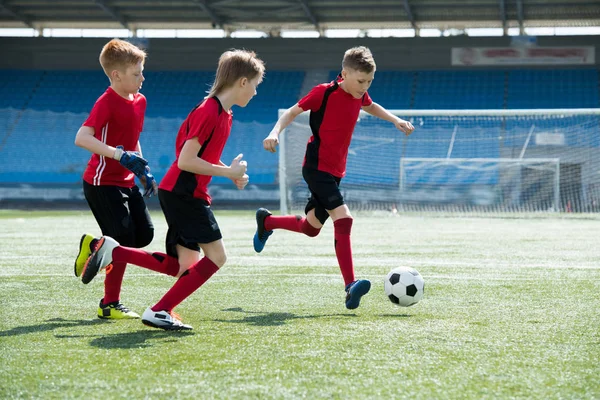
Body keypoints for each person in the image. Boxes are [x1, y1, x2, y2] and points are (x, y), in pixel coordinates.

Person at [80, 49, 265, 330]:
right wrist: (227, 172)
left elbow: (202, 155)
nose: (255, 92)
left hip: (180, 191)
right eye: (255, 85)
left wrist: (230, 174)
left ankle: (115, 254)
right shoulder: (209, 111)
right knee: (218, 257)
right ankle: (159, 309)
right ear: (242, 82)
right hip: (184, 193)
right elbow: (187, 160)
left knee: (183, 267)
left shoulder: (223, 114)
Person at [254, 46, 415, 310]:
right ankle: (350, 285)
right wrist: (274, 132)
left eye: (369, 81)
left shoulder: (359, 94)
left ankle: (267, 221)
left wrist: (395, 120)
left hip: (335, 172)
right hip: (317, 167)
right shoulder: (324, 93)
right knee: (345, 218)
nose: (365, 86)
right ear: (344, 74)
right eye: (361, 81)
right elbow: (292, 112)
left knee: (311, 228)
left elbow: (371, 105)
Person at [74, 38, 158, 320]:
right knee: (120, 240)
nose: (142, 78)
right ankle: (109, 304)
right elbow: (82, 138)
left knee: (144, 235)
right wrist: (119, 156)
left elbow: (134, 141)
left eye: (142, 71)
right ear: (116, 75)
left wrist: (142, 171)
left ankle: (94, 246)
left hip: (126, 182)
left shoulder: (140, 100)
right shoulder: (106, 101)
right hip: (101, 183)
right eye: (137, 74)